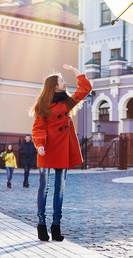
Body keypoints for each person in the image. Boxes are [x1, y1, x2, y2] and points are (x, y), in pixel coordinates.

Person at [30, 64, 92, 242]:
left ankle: (56, 226)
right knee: (44, 188)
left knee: (60, 189)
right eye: (62, 81)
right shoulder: (42, 105)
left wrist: (76, 72)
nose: (65, 83)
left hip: (62, 150)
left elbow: (86, 89)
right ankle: (41, 224)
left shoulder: (67, 102)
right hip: (47, 150)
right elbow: (38, 128)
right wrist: (40, 144)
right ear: (54, 85)